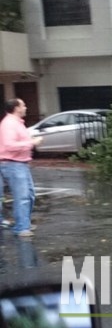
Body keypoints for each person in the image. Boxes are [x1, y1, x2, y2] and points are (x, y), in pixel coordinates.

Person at [0, 99, 43, 237]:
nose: (26, 107)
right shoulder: (9, 124)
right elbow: (9, 145)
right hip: (13, 164)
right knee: (22, 197)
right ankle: (21, 228)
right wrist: (31, 143)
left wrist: (28, 141)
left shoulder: (16, 123)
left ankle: (25, 224)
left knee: (29, 195)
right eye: (23, 105)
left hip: (19, 163)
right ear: (16, 108)